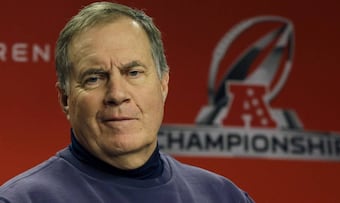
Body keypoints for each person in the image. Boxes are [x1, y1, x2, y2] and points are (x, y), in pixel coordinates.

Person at [0, 2, 254, 202]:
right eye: (94, 78)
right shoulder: (22, 199)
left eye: (133, 73)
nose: (117, 94)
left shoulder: (224, 197)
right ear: (66, 99)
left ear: (163, 85)